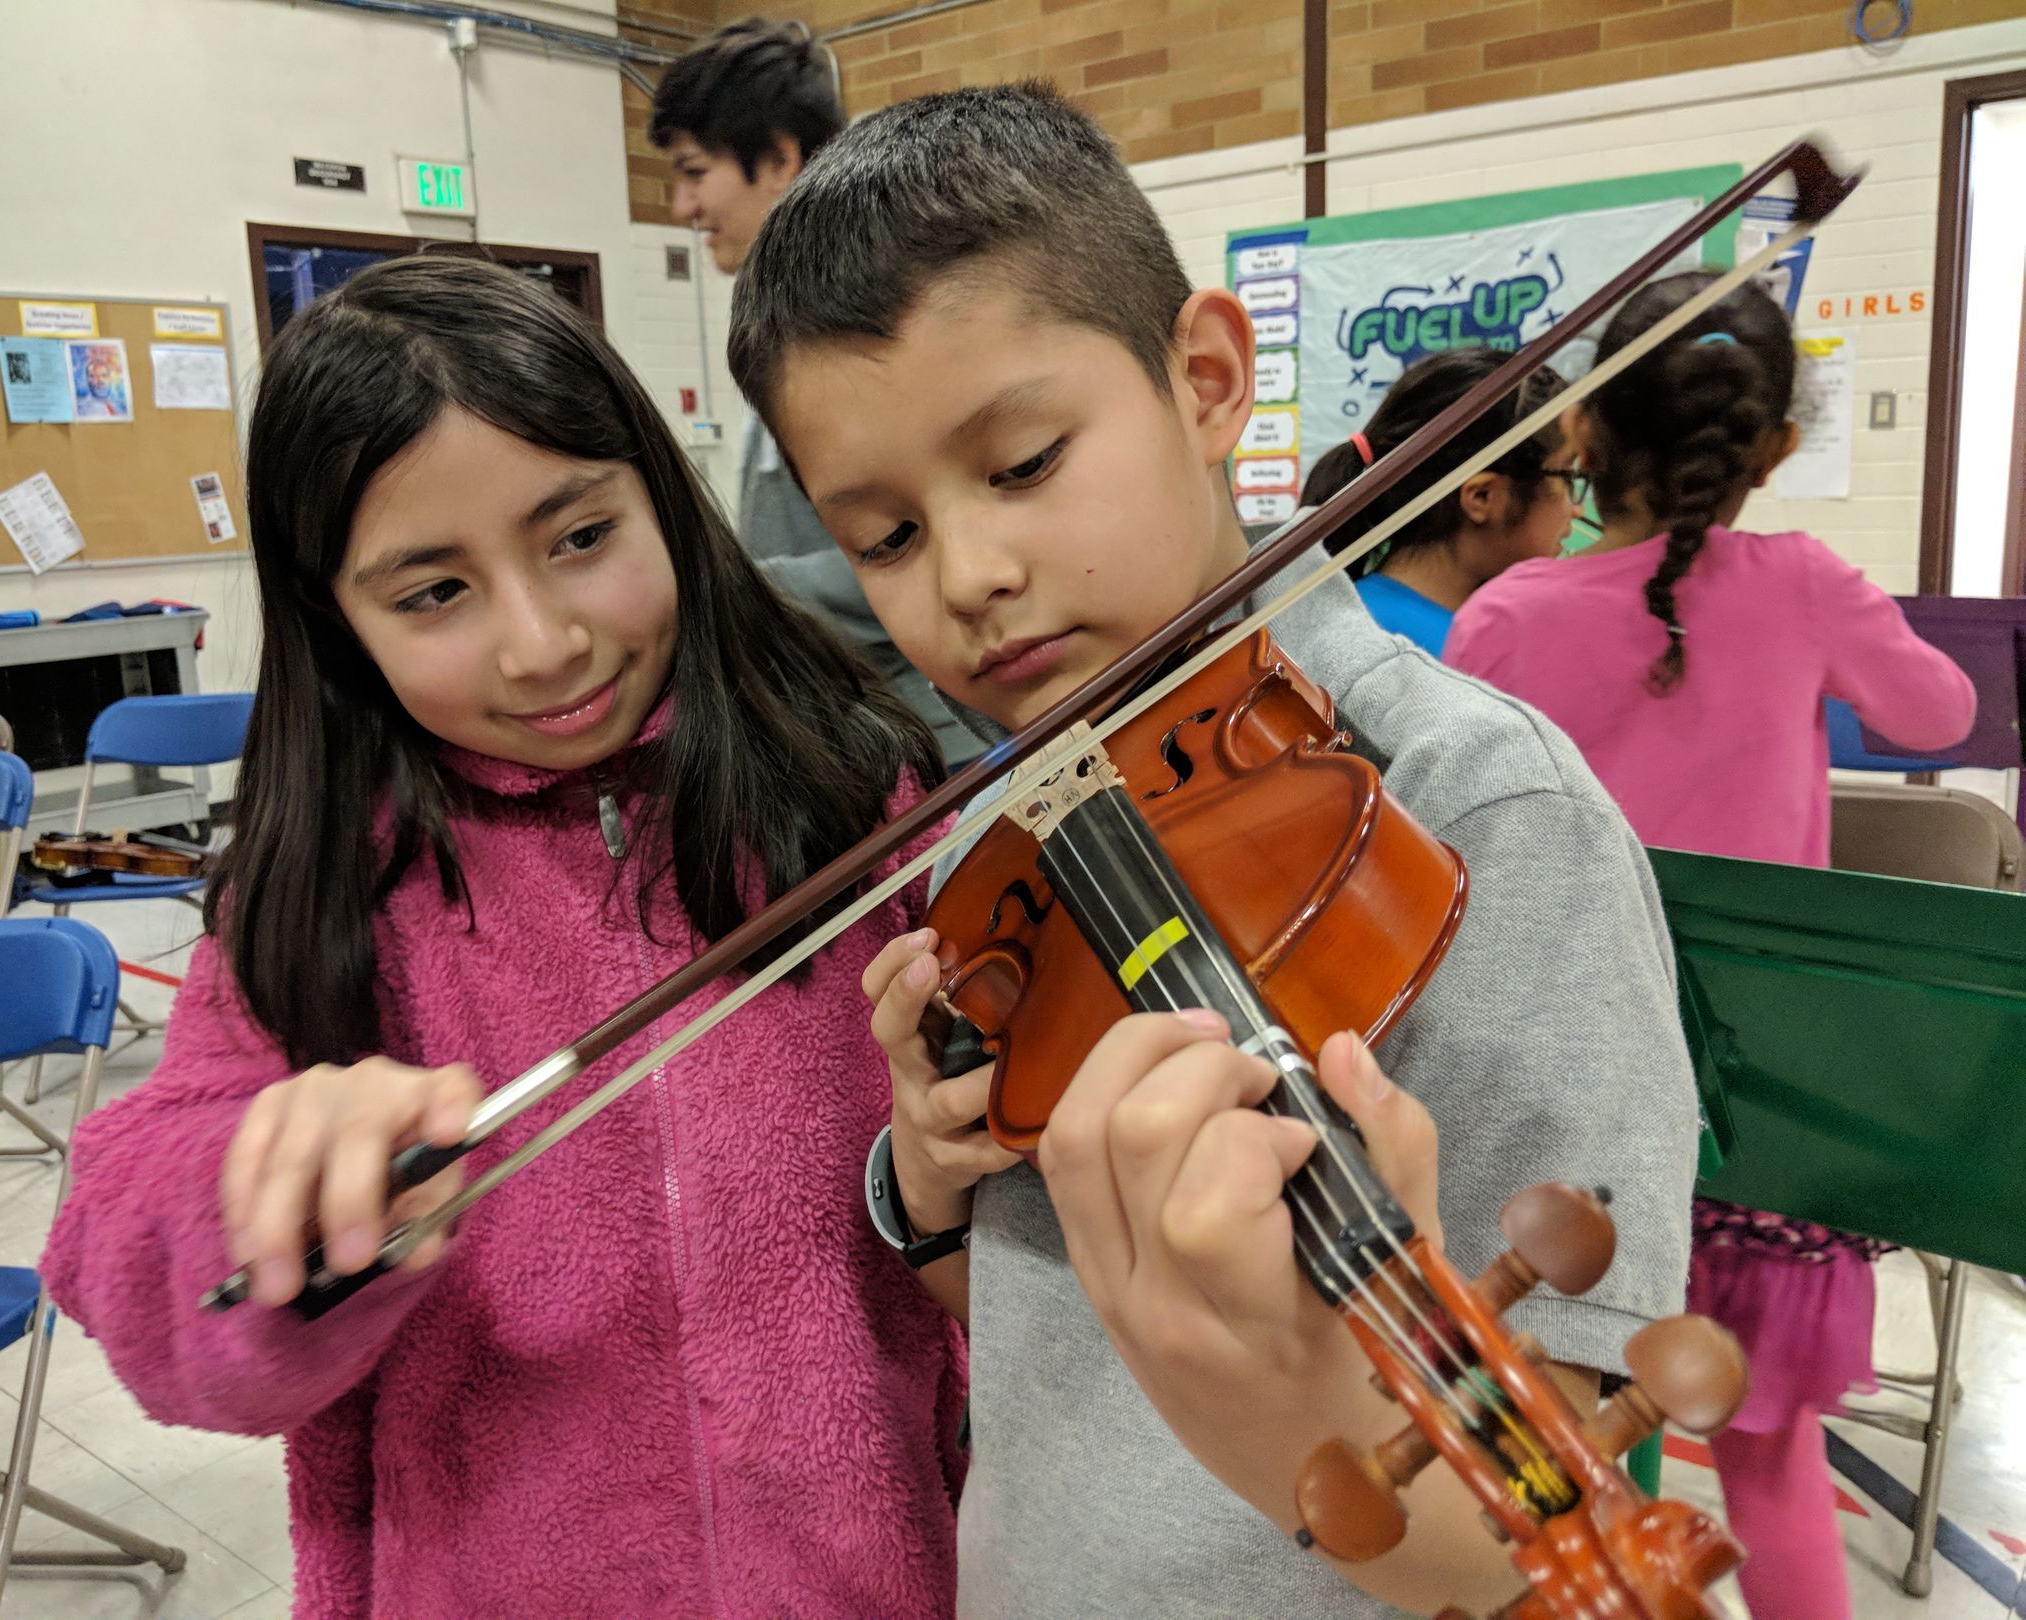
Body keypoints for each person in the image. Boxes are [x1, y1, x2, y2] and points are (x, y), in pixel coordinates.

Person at [729, 83, 1699, 1619]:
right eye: (886, 539)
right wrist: (926, 1187)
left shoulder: (1476, 809)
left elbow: (1551, 1525)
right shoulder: (1016, 811)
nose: (969, 578)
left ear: (1204, 377)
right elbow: (1051, 1336)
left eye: (1025, 461)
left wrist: (1283, 1394)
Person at [40, 258, 963, 1620]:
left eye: (581, 536)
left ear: (663, 496)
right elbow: (118, 1243)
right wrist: (247, 1186)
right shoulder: (317, 891)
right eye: (432, 594)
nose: (542, 644)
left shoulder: (848, 794)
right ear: (337, 625)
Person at [1443, 270, 1976, 1619]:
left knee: (1572, 1462)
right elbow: (1938, 711)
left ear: (1582, 440)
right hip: (1766, 1124)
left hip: (1581, 1120)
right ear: (1773, 447)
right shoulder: (1800, 584)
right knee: (1774, 1463)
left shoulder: (1502, 620)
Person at [651, 17, 980, 767]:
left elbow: (927, 545)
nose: (682, 207)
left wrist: (721, 586)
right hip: (855, 738)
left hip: (934, 750)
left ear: (778, 158)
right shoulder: (789, 321)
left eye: (696, 172)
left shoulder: (873, 314)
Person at [1302, 348, 1579, 657]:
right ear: (1482, 496)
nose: (1576, 509)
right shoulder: (1463, 651)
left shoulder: (1350, 615)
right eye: (1566, 478)